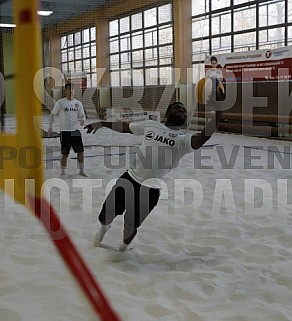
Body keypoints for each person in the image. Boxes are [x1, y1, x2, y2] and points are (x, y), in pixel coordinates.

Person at [85, 102, 222, 252]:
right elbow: (126, 127)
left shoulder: (183, 141)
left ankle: (124, 248)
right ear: (166, 114)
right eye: (178, 107)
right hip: (129, 178)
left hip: (150, 190)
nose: (182, 110)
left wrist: (219, 111)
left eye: (184, 110)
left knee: (130, 225)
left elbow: (203, 137)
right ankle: (104, 229)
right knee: (104, 215)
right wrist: (102, 123)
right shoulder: (151, 125)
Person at [48, 82, 87, 177]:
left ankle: (81, 171)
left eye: (72, 89)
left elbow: (83, 115)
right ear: (65, 91)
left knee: (80, 152)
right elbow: (52, 115)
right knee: (65, 153)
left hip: (75, 131)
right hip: (65, 132)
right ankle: (62, 172)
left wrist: (82, 120)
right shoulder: (60, 102)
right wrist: (50, 127)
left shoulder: (78, 103)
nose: (71, 91)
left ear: (75, 90)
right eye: (69, 89)